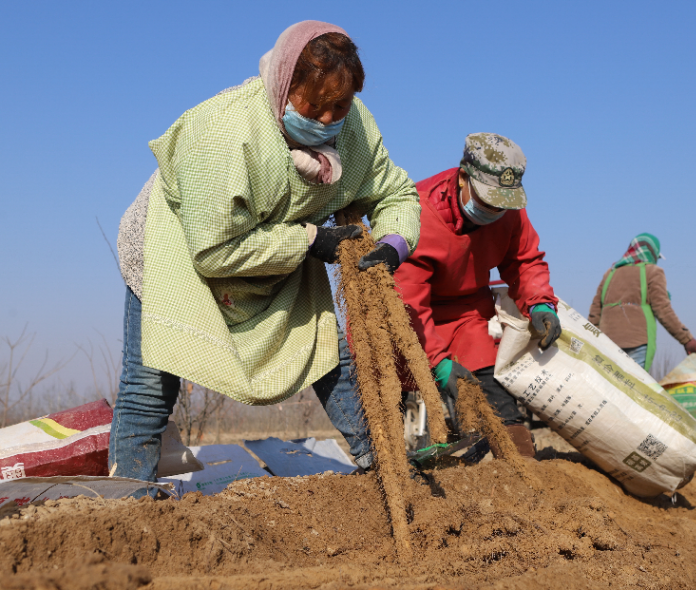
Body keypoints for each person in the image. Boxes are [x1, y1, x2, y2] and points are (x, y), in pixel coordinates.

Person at [112, 21, 420, 487]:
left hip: (276, 246)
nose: (325, 119)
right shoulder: (226, 131)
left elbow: (395, 193)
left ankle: (387, 466)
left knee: (328, 355)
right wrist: (311, 242)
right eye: (312, 105)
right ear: (283, 85)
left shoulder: (355, 130)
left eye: (339, 106)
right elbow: (214, 251)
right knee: (151, 383)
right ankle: (126, 495)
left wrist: (395, 243)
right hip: (180, 245)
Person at [393, 133, 560, 459]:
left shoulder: (508, 209)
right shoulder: (416, 212)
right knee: (405, 394)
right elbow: (407, 303)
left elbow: (524, 260)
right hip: (411, 319)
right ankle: (406, 460)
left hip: (467, 311)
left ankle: (521, 472)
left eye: (503, 203)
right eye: (488, 201)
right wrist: (438, 364)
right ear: (463, 177)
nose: (496, 210)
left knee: (495, 397)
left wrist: (540, 303)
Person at [587, 233, 696, 372]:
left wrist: (590, 341)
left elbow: (594, 312)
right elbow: (662, 309)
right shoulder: (652, 271)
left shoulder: (610, 273)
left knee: (611, 389)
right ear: (652, 253)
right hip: (638, 342)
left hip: (606, 342)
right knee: (633, 389)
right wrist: (687, 339)